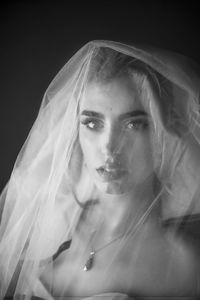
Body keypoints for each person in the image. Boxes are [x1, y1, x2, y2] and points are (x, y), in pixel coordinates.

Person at [0, 40, 200, 299]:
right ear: (75, 132)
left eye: (133, 124)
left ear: (165, 132)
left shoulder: (186, 264)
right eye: (93, 123)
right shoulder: (44, 243)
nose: (109, 147)